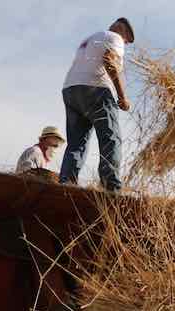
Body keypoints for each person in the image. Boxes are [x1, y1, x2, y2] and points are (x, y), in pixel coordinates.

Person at [59, 17, 134, 191]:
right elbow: (110, 61)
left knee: (76, 142)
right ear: (122, 31)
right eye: (127, 40)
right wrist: (123, 97)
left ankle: (66, 183)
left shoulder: (90, 38)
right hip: (96, 90)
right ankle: (111, 187)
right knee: (111, 138)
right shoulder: (114, 38)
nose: (126, 44)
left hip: (70, 90)